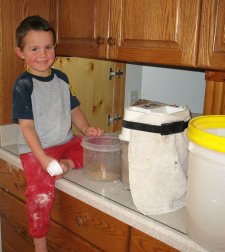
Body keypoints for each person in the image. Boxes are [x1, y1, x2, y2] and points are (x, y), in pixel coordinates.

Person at [12, 15, 103, 252]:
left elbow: (74, 109)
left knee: (95, 146)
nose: (43, 54)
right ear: (20, 52)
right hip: (37, 149)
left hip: (66, 142)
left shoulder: (62, 78)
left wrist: (86, 130)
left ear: (54, 48)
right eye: (34, 48)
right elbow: (27, 127)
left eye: (48, 47)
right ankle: (40, 245)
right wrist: (42, 158)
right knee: (39, 193)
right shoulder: (23, 85)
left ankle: (67, 164)